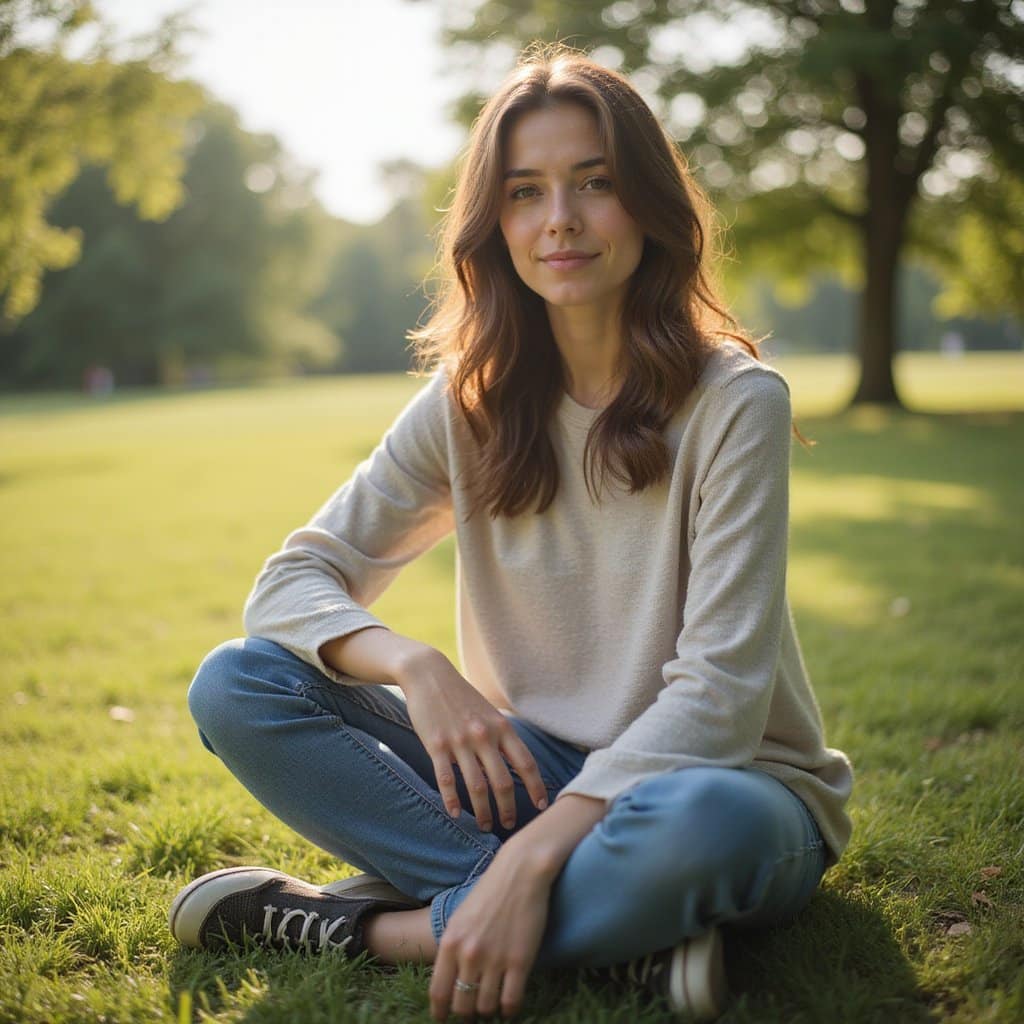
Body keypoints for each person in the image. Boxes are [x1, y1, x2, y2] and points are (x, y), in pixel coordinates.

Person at [169, 43, 854, 1022]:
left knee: (702, 822)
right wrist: (414, 665)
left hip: (715, 789)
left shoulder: (733, 402)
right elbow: (291, 581)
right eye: (526, 192)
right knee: (237, 681)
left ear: (648, 208)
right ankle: (606, 937)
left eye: (594, 184)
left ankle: (366, 927)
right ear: (494, 224)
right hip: (525, 773)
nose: (560, 220)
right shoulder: (469, 403)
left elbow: (720, 693)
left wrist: (534, 855)